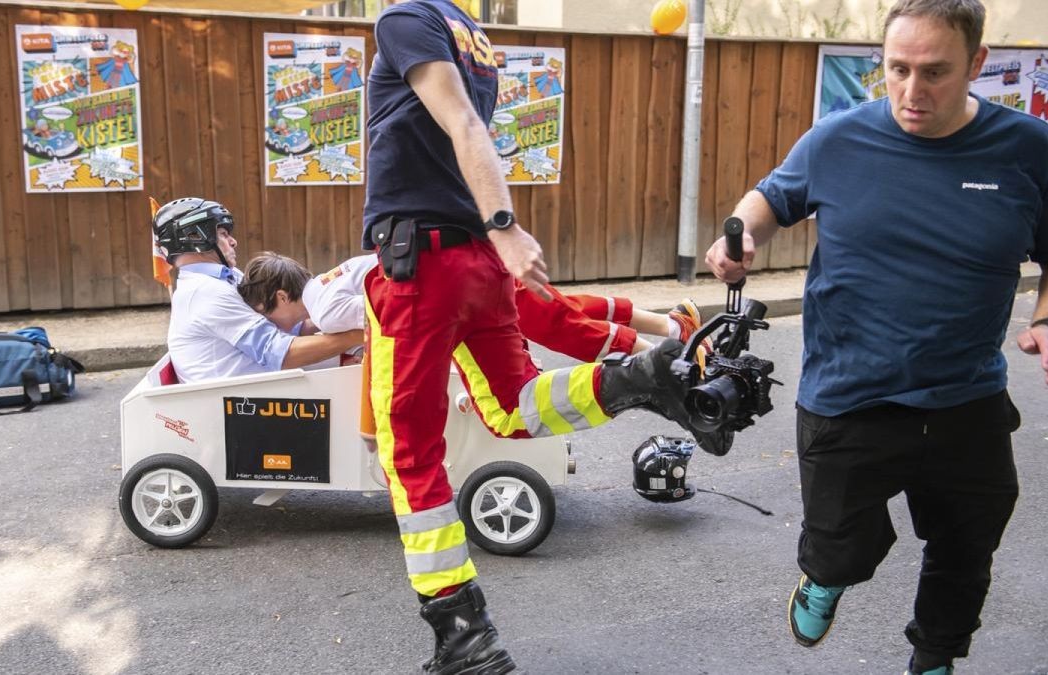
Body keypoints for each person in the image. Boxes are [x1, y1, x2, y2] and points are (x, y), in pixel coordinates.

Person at [363, 1, 742, 671]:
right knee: (512, 405)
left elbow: (462, 122)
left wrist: (505, 222)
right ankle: (641, 377)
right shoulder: (467, 32)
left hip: (419, 261)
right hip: (472, 262)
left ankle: (463, 636)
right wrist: (495, 234)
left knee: (408, 452)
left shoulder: (404, 18)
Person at [704, 1, 1048, 672]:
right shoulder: (838, 139)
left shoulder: (1032, 148)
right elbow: (768, 200)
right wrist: (738, 236)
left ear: (977, 64)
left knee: (967, 545)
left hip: (967, 397)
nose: (911, 91)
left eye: (934, 72)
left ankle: (934, 656)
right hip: (849, 395)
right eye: (897, 69)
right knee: (840, 544)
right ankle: (827, 573)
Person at [238, 251, 709, 361]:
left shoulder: (325, 312)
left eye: (267, 316)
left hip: (463, 291)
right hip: (468, 273)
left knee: (561, 326)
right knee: (563, 304)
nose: (274, 326)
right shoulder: (325, 281)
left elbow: (384, 326)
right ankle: (672, 325)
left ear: (280, 299)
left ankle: (665, 355)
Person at [151, 198, 362, 383]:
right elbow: (280, 353)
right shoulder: (205, 292)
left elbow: (285, 326)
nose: (233, 241)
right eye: (223, 234)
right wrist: (362, 333)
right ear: (195, 237)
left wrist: (341, 313)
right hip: (239, 402)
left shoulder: (225, 277)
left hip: (259, 387)